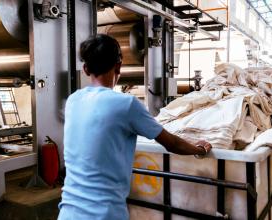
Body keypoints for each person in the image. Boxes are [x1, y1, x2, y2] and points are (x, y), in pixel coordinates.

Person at [58, 34, 212, 220]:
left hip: (68, 212)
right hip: (105, 214)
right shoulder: (127, 104)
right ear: (119, 66)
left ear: (85, 69)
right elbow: (171, 143)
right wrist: (200, 148)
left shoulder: (73, 100)